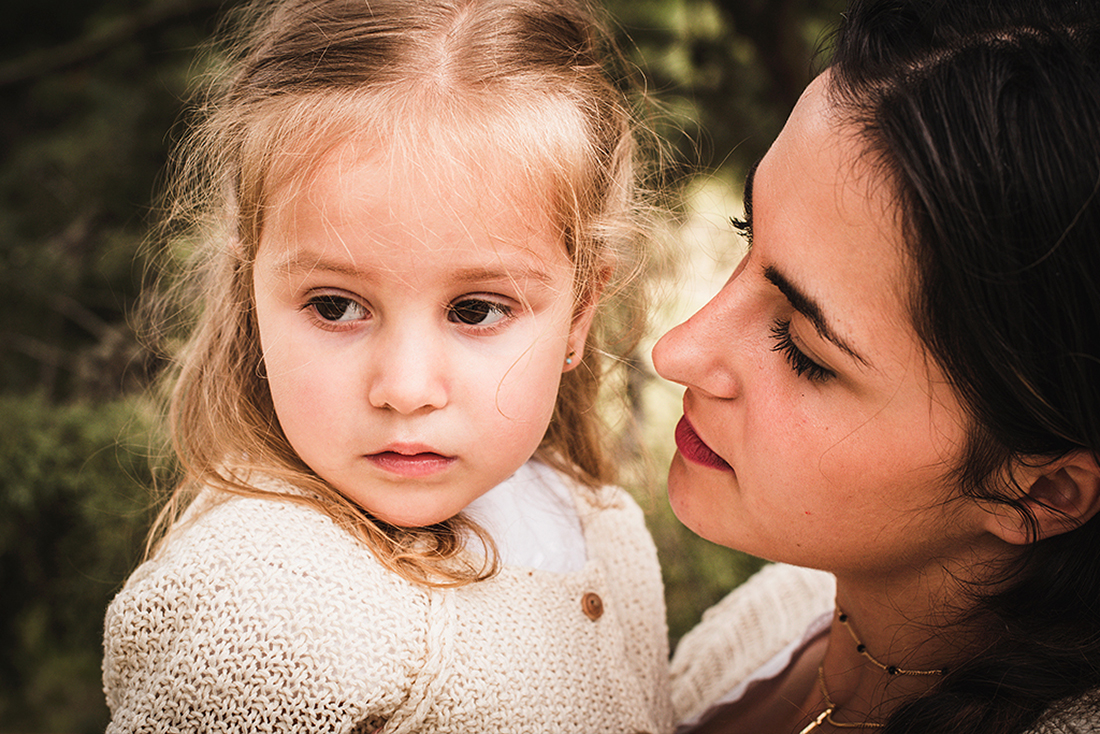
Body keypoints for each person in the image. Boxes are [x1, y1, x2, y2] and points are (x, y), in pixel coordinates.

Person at [101, 0, 674, 731]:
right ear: (252, 290)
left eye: (475, 311)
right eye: (336, 306)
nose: (404, 389)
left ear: (582, 311)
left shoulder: (600, 526)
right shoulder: (261, 606)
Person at [653, 0, 1100, 733]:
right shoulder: (773, 619)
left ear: (1044, 491)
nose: (677, 350)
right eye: (747, 232)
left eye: (802, 348)